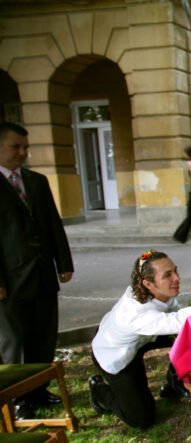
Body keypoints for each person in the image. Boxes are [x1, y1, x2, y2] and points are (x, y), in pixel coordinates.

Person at [0, 122, 74, 420]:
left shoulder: (36, 181)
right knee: (15, 341)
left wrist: (64, 263)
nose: (22, 153)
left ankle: (40, 389)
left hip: (42, 275)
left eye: (25, 147)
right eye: (15, 146)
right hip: (9, 281)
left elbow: (53, 224)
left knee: (44, 336)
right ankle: (19, 399)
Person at [89, 250, 191, 429]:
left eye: (175, 271)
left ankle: (173, 384)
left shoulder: (151, 290)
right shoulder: (134, 313)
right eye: (168, 275)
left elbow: (179, 321)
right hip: (115, 355)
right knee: (141, 419)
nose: (177, 278)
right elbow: (175, 320)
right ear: (148, 283)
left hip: (143, 338)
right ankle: (100, 392)